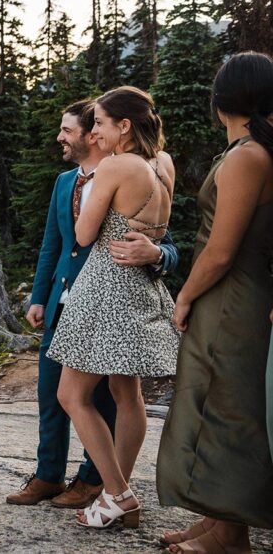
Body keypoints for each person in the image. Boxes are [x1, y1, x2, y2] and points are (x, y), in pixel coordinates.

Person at [8, 99, 178, 510]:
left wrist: (156, 255)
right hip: (68, 298)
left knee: (89, 396)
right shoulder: (73, 180)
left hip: (103, 296)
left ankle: (100, 485)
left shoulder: (118, 169)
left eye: (74, 129)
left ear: (103, 130)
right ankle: (49, 475)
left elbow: (158, 243)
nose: (61, 137)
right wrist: (40, 296)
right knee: (59, 393)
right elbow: (54, 243)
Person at [156, 51, 273, 554]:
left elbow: (222, 249)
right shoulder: (247, 150)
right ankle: (215, 519)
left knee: (228, 407)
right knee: (209, 400)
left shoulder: (249, 155)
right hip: (231, 295)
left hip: (233, 296)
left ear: (223, 100)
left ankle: (229, 533)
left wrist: (183, 296)